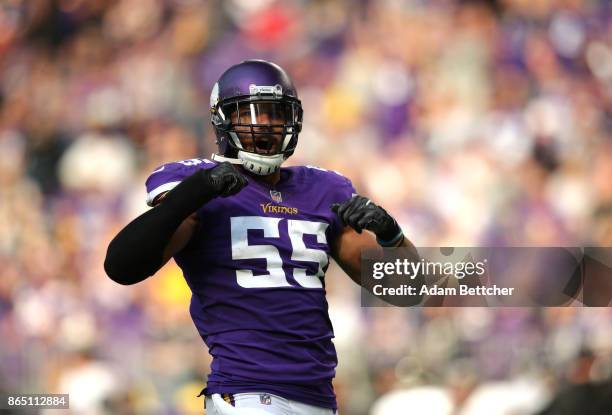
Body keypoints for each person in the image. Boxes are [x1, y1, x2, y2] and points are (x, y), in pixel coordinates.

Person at [104, 59, 416, 415]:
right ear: (222, 120)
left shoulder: (324, 188)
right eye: (250, 114)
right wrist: (195, 192)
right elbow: (121, 266)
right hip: (246, 391)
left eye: (274, 113)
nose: (264, 125)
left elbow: (408, 290)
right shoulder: (198, 181)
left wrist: (392, 234)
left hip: (318, 396)